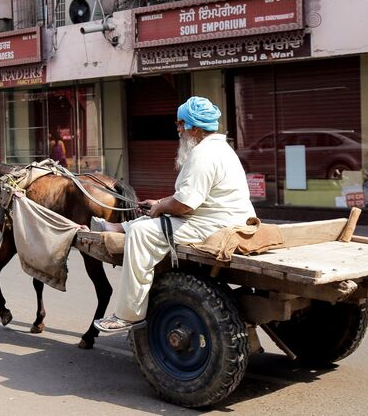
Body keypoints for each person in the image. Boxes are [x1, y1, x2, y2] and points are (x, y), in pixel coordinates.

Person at [93, 96, 256, 332]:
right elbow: (191, 199)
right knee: (154, 217)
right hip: (222, 218)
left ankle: (128, 314)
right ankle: (116, 228)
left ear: (195, 128)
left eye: (181, 123)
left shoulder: (203, 154)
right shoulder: (221, 148)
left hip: (215, 226)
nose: (178, 129)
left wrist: (161, 206)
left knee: (141, 232)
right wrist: (159, 203)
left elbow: (185, 205)